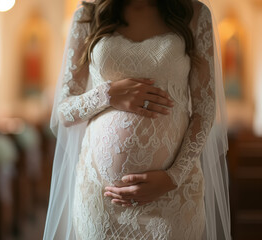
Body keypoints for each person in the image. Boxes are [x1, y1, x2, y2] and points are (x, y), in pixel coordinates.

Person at [44, 0, 230, 239]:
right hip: (102, 198)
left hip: (172, 196)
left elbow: (205, 108)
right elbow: (64, 110)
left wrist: (174, 177)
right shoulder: (88, 17)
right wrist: (107, 95)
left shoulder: (193, 13)